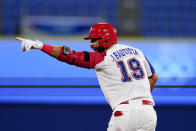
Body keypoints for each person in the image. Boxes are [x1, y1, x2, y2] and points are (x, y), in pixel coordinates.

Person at [16, 23, 158, 131]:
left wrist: (40, 45)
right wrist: (139, 97)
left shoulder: (104, 58)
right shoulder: (137, 51)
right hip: (149, 113)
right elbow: (153, 77)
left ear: (105, 40)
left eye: (94, 40)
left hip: (125, 113)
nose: (91, 44)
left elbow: (68, 55)